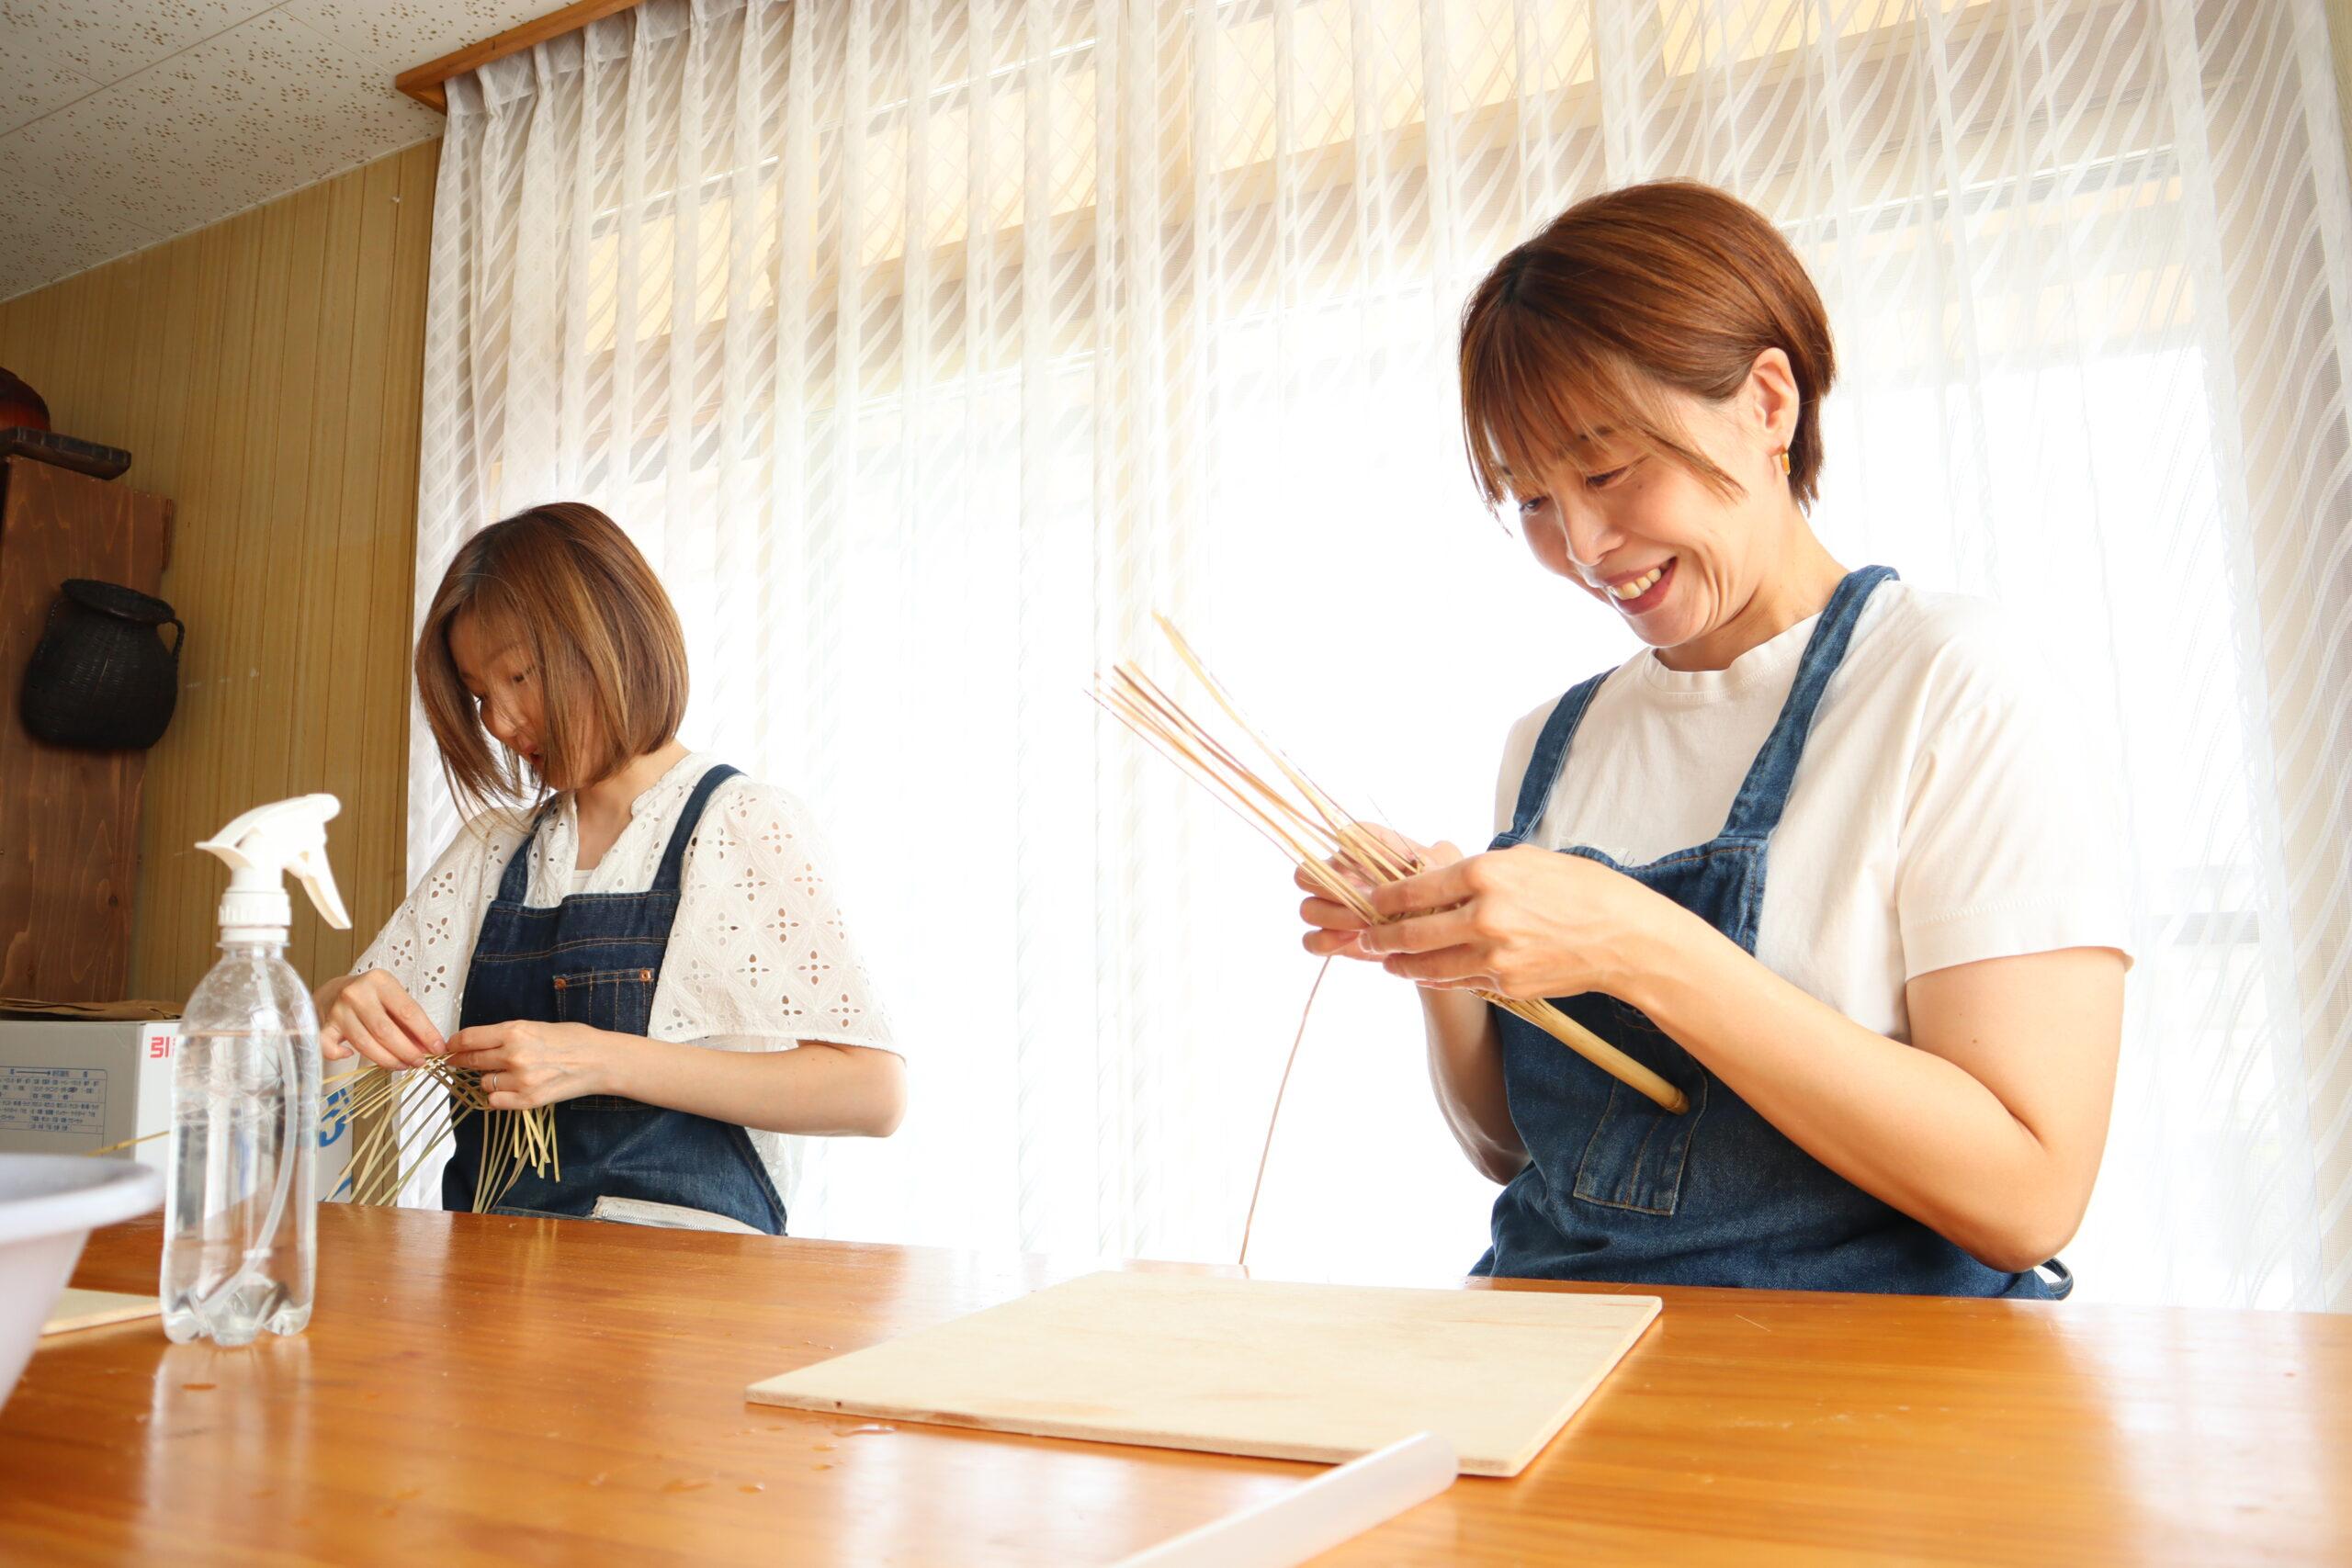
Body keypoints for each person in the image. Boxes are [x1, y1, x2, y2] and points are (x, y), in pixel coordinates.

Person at [1298, 182, 2131, 1295]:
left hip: (1862, 1399)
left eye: (1604, 469)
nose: (1583, 544)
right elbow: (1515, 1151)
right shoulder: (1553, 738)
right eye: (1532, 498)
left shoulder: (1949, 684)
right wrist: (1434, 954)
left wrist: (1645, 948)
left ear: (1768, 403)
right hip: (1559, 1357)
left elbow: (2026, 1197)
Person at [318, 502, 904, 1234]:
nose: (499, 723)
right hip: (491, 1278)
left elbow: (872, 1091)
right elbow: (337, 1035)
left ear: (609, 637)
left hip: (683, 1296)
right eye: (480, 697)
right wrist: (340, 997)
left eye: (519, 676)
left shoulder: (733, 824)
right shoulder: (493, 851)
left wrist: (602, 1060)